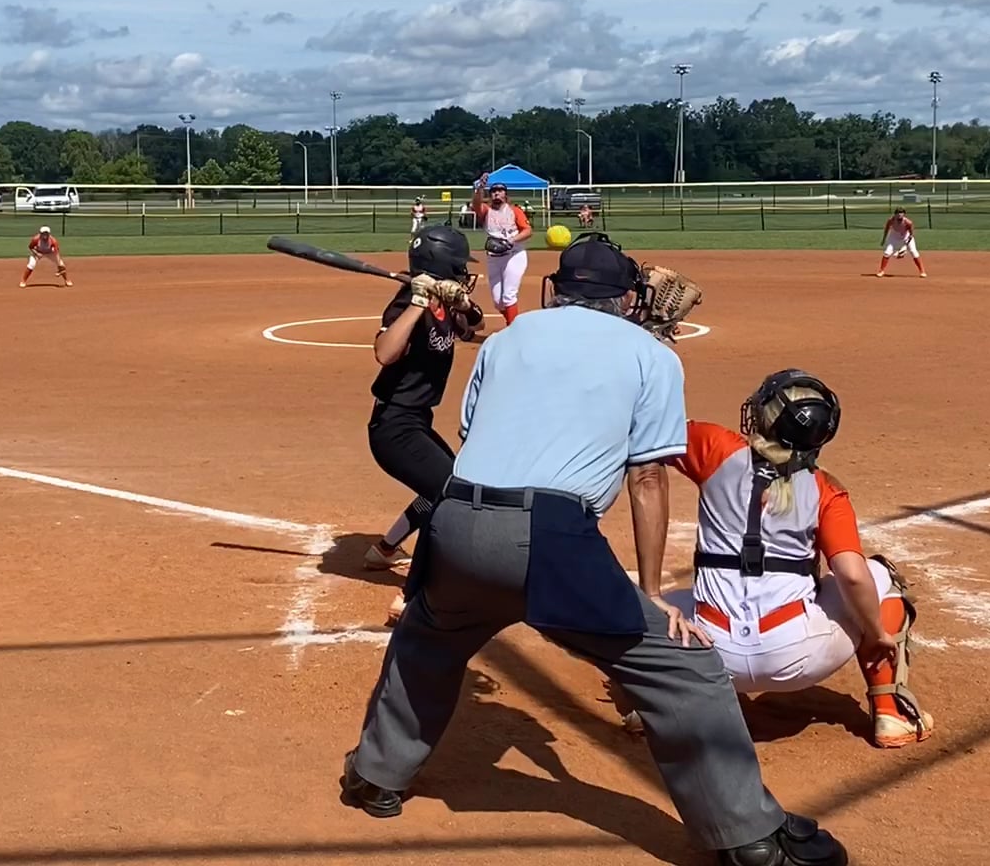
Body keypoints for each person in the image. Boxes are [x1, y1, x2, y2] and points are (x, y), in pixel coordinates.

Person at [338, 232, 846, 866]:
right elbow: (648, 477)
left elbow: (474, 432)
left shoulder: (507, 338)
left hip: (456, 519)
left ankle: (374, 776)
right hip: (551, 537)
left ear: (556, 289)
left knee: (427, 639)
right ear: (628, 297)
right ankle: (749, 838)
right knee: (684, 672)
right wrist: (653, 595)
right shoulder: (654, 357)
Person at [608, 370, 935, 750]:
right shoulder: (826, 489)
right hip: (797, 656)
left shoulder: (715, 447)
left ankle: (660, 705)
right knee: (880, 577)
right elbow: (851, 575)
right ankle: (890, 714)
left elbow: (649, 436)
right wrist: (877, 634)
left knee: (657, 605)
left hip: (709, 652)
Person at [359, 225, 483, 624]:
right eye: (459, 268)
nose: (464, 274)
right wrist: (416, 304)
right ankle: (411, 596)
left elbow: (474, 326)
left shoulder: (444, 301)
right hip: (393, 426)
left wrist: (461, 302)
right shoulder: (405, 302)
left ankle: (383, 550)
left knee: (450, 482)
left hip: (416, 419)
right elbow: (384, 353)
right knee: (449, 494)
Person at [470, 176, 532, 325]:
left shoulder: (514, 211)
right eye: (493, 191)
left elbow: (527, 231)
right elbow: (476, 204)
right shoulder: (486, 211)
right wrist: (480, 188)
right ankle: (513, 324)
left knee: (508, 296)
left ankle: (513, 330)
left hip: (514, 255)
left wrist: (511, 240)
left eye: (500, 190)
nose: (497, 193)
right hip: (494, 257)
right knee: (498, 302)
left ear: (505, 194)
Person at [877, 208, 925, 277]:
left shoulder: (908, 222)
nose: (900, 214)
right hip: (894, 237)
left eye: (901, 213)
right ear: (895, 214)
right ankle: (881, 271)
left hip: (906, 237)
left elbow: (911, 235)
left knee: (913, 252)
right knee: (887, 252)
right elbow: (887, 229)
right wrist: (884, 239)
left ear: (904, 214)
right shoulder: (891, 220)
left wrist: (905, 246)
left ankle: (922, 271)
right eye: (898, 213)